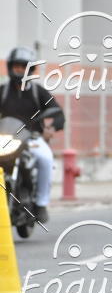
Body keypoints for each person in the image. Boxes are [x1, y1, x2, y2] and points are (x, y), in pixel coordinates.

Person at [0, 47, 64, 223]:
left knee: (46, 158)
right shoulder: (3, 91)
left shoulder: (38, 92)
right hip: (7, 138)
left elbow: (58, 111)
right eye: (16, 66)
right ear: (10, 67)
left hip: (32, 138)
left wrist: (52, 127)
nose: (19, 70)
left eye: (24, 66)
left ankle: (41, 204)